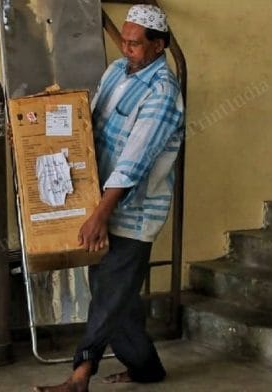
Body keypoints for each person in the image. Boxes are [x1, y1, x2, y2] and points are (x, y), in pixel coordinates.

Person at [34, 4, 184, 392]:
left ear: (158, 46)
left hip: (133, 213)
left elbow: (134, 161)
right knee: (116, 295)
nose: (126, 48)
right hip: (97, 201)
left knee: (107, 296)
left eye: (135, 44)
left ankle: (81, 374)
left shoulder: (163, 93)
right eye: (125, 41)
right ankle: (146, 368)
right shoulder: (118, 70)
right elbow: (90, 122)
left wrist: (100, 213)